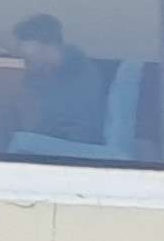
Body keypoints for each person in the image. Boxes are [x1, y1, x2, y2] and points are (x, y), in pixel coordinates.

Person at [11, 12, 113, 144]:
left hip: (80, 143)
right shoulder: (34, 77)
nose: (22, 54)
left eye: (23, 47)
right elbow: (32, 125)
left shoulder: (74, 59)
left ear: (47, 45)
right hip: (46, 141)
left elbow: (57, 57)